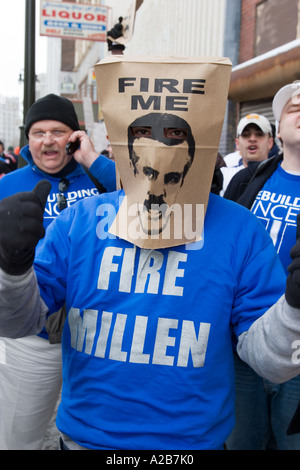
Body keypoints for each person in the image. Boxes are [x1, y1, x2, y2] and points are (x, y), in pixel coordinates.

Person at [1, 76, 300, 451]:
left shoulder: (240, 230)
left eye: (173, 175)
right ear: (125, 157)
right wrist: (12, 270)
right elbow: (16, 322)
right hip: (87, 441)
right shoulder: (79, 221)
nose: (157, 192)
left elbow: (271, 363)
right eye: (147, 171)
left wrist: (294, 307)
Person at [0, 93, 116, 450]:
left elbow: (146, 194)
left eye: (58, 131)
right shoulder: (7, 184)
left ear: (76, 136)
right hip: (32, 336)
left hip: (101, 335)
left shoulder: (101, 178)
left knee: (96, 438)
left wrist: (94, 161)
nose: (48, 140)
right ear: (27, 139)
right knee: (19, 435)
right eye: (38, 132)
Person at [225, 82, 300, 450]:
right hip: (244, 338)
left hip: (299, 350)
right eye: (292, 107)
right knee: (243, 442)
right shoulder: (246, 180)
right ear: (281, 129)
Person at [220, 114, 274, 196]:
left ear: (270, 142)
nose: (252, 139)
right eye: (246, 135)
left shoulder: (279, 176)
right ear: (237, 143)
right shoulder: (223, 175)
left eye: (259, 134)